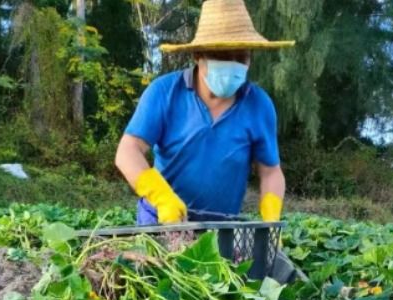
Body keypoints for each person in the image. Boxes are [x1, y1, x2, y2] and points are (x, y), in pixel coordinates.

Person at [114, 0, 293, 234]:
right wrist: (162, 197)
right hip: (162, 220)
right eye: (221, 55)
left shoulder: (259, 105)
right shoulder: (165, 92)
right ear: (198, 55)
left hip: (221, 228)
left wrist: (270, 221)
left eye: (240, 57)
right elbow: (128, 151)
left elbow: (270, 171)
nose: (231, 64)